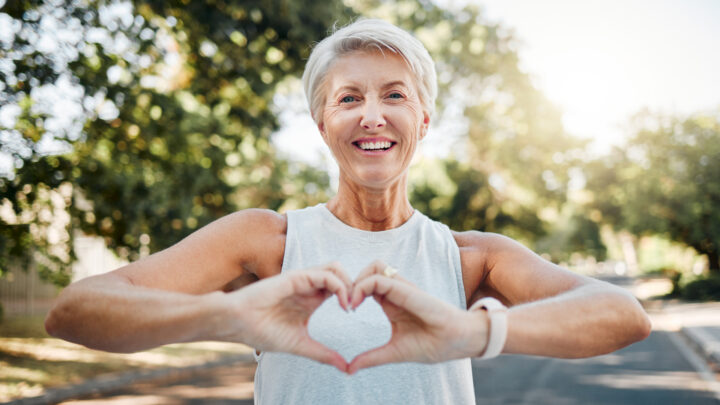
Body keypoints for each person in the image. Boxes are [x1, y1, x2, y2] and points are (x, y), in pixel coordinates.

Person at [45, 18, 651, 404]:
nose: (372, 114)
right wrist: (228, 316)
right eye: (348, 98)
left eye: (394, 95)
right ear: (322, 124)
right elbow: (73, 312)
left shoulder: (471, 257)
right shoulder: (266, 241)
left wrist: (472, 330)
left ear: (422, 120)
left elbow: (622, 315)